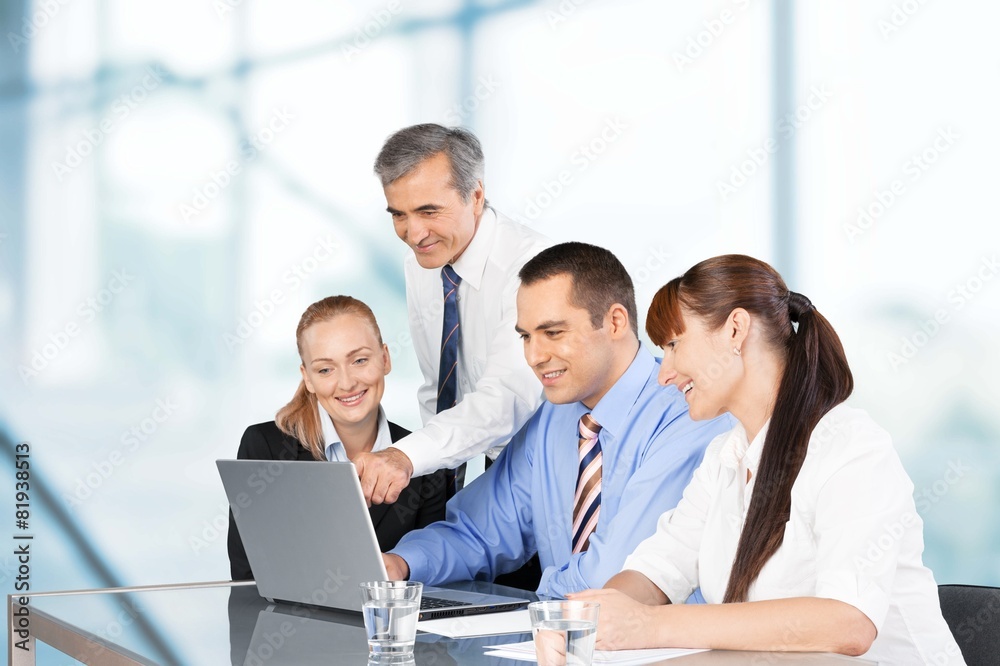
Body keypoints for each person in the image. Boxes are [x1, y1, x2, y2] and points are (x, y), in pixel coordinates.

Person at [571, 255, 964, 664]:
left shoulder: (851, 449)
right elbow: (658, 568)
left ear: (735, 330)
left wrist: (649, 626)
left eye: (673, 344)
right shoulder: (724, 457)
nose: (664, 374)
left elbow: (849, 623)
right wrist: (590, 620)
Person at [381, 242, 733, 597]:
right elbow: (478, 532)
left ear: (615, 322)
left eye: (552, 333)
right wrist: (401, 563)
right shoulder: (554, 416)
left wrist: (536, 596)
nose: (534, 356)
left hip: (657, 649)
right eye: (525, 336)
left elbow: (613, 578)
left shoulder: (690, 414)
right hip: (567, 641)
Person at [357, 123, 550, 506]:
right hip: (473, 475)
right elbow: (440, 387)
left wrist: (408, 455)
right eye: (399, 215)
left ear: (476, 195)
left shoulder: (533, 268)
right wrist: (432, 489)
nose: (414, 234)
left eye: (429, 211)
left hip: (545, 472)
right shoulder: (424, 263)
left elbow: (506, 399)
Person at [227, 296, 447, 580]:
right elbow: (247, 578)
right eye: (325, 369)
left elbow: (430, 581)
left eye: (359, 360)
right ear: (307, 378)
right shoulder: (265, 448)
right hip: (292, 623)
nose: (346, 383)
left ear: (385, 358)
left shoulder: (423, 460)